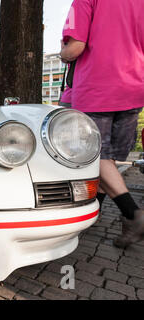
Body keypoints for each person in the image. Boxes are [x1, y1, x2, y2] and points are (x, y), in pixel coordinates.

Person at [60, 0, 144, 248]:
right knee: (109, 161)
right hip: (135, 86)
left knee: (94, 156)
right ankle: (96, 216)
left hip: (98, 87)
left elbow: (75, 47)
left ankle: (133, 214)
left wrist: (62, 53)